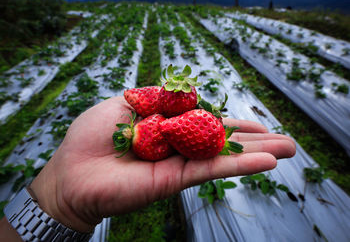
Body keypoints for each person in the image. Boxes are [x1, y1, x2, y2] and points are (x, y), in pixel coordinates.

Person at [0, 96, 296, 241]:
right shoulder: (161, 121)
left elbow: (171, 124)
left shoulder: (164, 122)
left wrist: (58, 204)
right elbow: (174, 123)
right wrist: (57, 202)